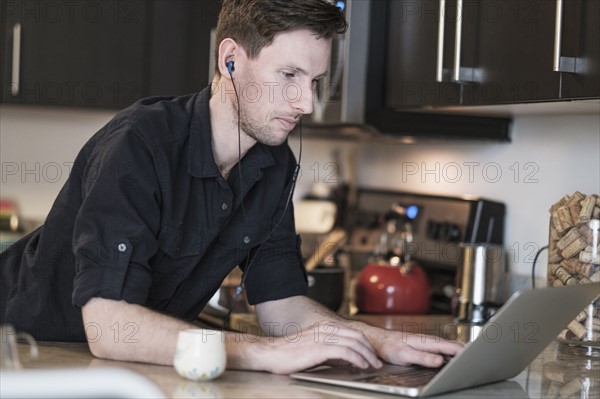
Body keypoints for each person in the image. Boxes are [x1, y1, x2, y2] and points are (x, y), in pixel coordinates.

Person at [0, 0, 462, 373]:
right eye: (289, 76)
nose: (307, 103)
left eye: (315, 81)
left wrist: (379, 342)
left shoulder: (274, 164)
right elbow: (110, 328)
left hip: (124, 367)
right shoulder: (140, 145)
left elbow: (282, 308)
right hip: (26, 355)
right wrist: (264, 353)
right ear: (230, 60)